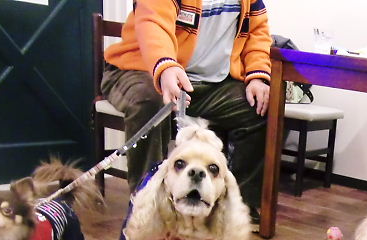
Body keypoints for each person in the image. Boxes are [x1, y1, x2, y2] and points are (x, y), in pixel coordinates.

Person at [101, 0, 271, 225]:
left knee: (257, 106)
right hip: (139, 69)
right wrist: (165, 66)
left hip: (207, 83)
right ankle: (145, 204)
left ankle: (238, 208)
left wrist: (258, 75)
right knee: (149, 101)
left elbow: (257, 33)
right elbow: (153, 22)